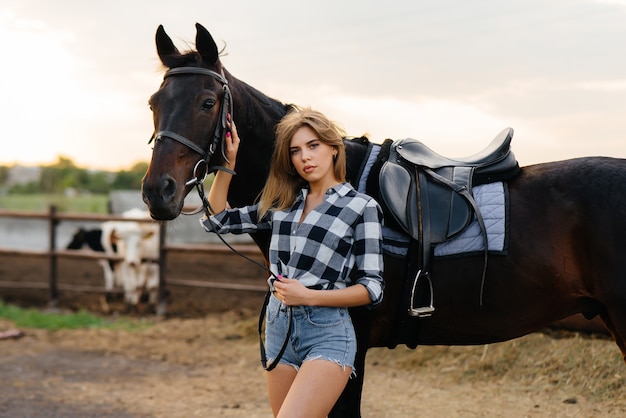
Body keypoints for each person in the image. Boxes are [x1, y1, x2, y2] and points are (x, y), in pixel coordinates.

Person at [201, 107, 384, 418]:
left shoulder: (361, 207)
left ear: (333, 148)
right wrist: (227, 164)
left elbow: (373, 288)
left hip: (327, 331)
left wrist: (309, 296)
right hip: (278, 329)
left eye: (313, 146)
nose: (305, 158)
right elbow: (216, 220)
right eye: (296, 151)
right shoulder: (282, 203)